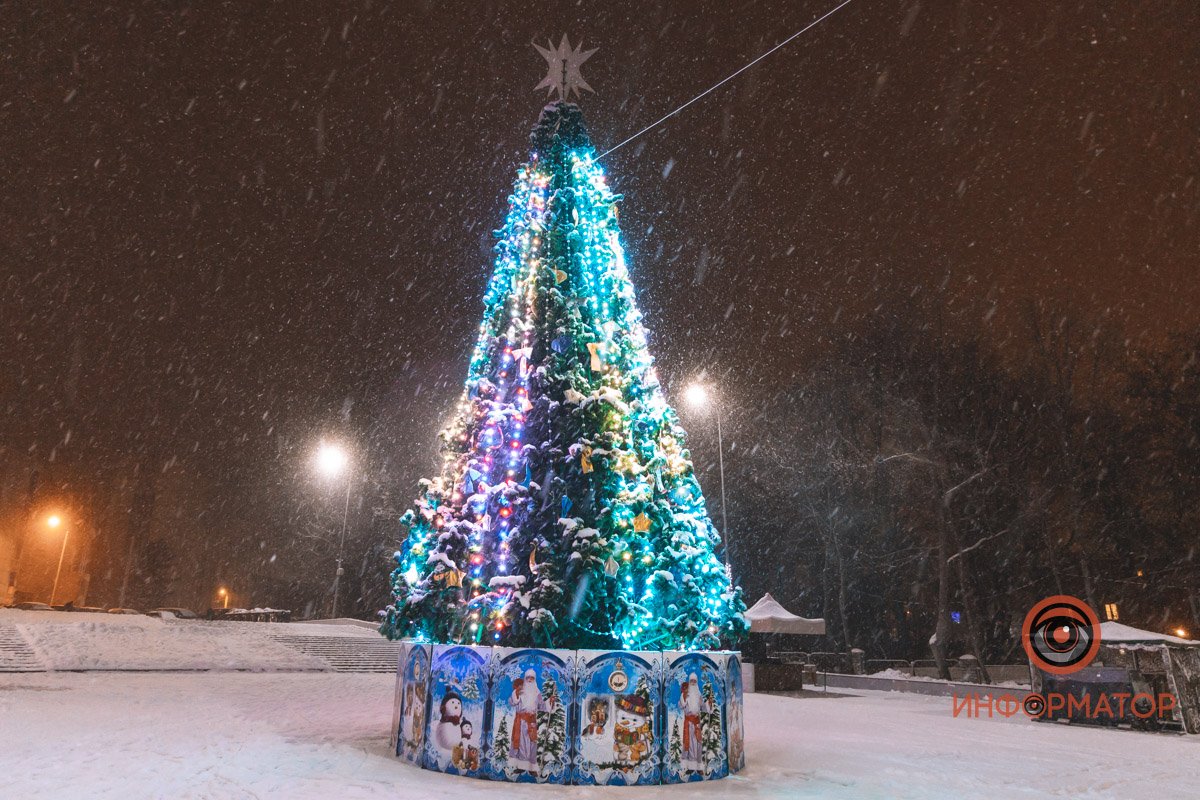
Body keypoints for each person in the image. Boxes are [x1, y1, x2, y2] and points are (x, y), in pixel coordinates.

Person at [680, 674, 703, 774]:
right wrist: (684, 697)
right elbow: (681, 705)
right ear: (689, 682)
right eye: (691, 681)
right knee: (690, 745)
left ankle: (698, 766)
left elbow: (703, 707)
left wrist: (709, 704)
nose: (693, 682)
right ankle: (690, 767)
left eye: (694, 681)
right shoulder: (685, 694)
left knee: (698, 744)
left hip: (697, 723)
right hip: (689, 723)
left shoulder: (698, 694)